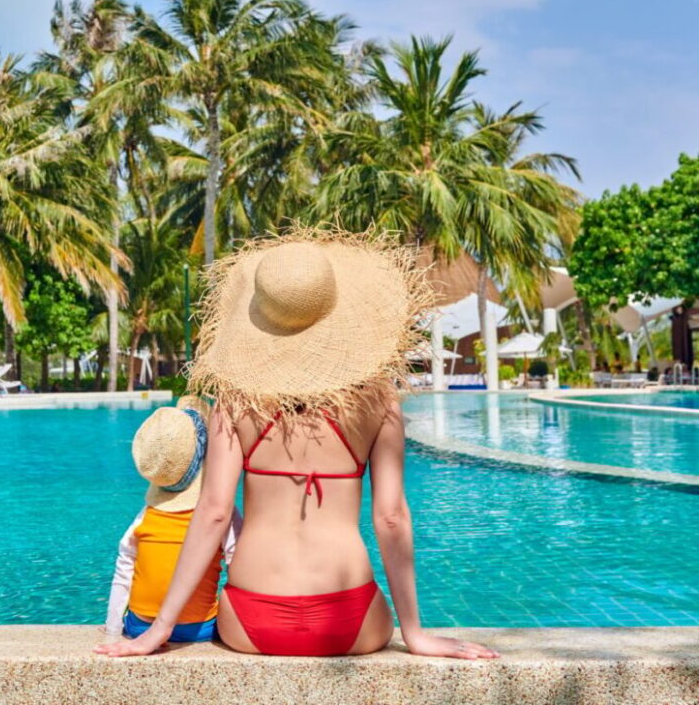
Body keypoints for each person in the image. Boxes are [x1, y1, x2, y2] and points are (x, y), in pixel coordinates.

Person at [95, 229, 498, 660]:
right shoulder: (380, 401)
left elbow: (212, 513)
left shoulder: (236, 403)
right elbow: (392, 517)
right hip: (351, 621)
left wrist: (159, 630)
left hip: (251, 622)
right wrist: (415, 634)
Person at [104, 396, 241, 643]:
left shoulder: (145, 517)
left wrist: (113, 630)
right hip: (200, 628)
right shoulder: (220, 515)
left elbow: (123, 572)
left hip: (139, 627)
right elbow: (238, 563)